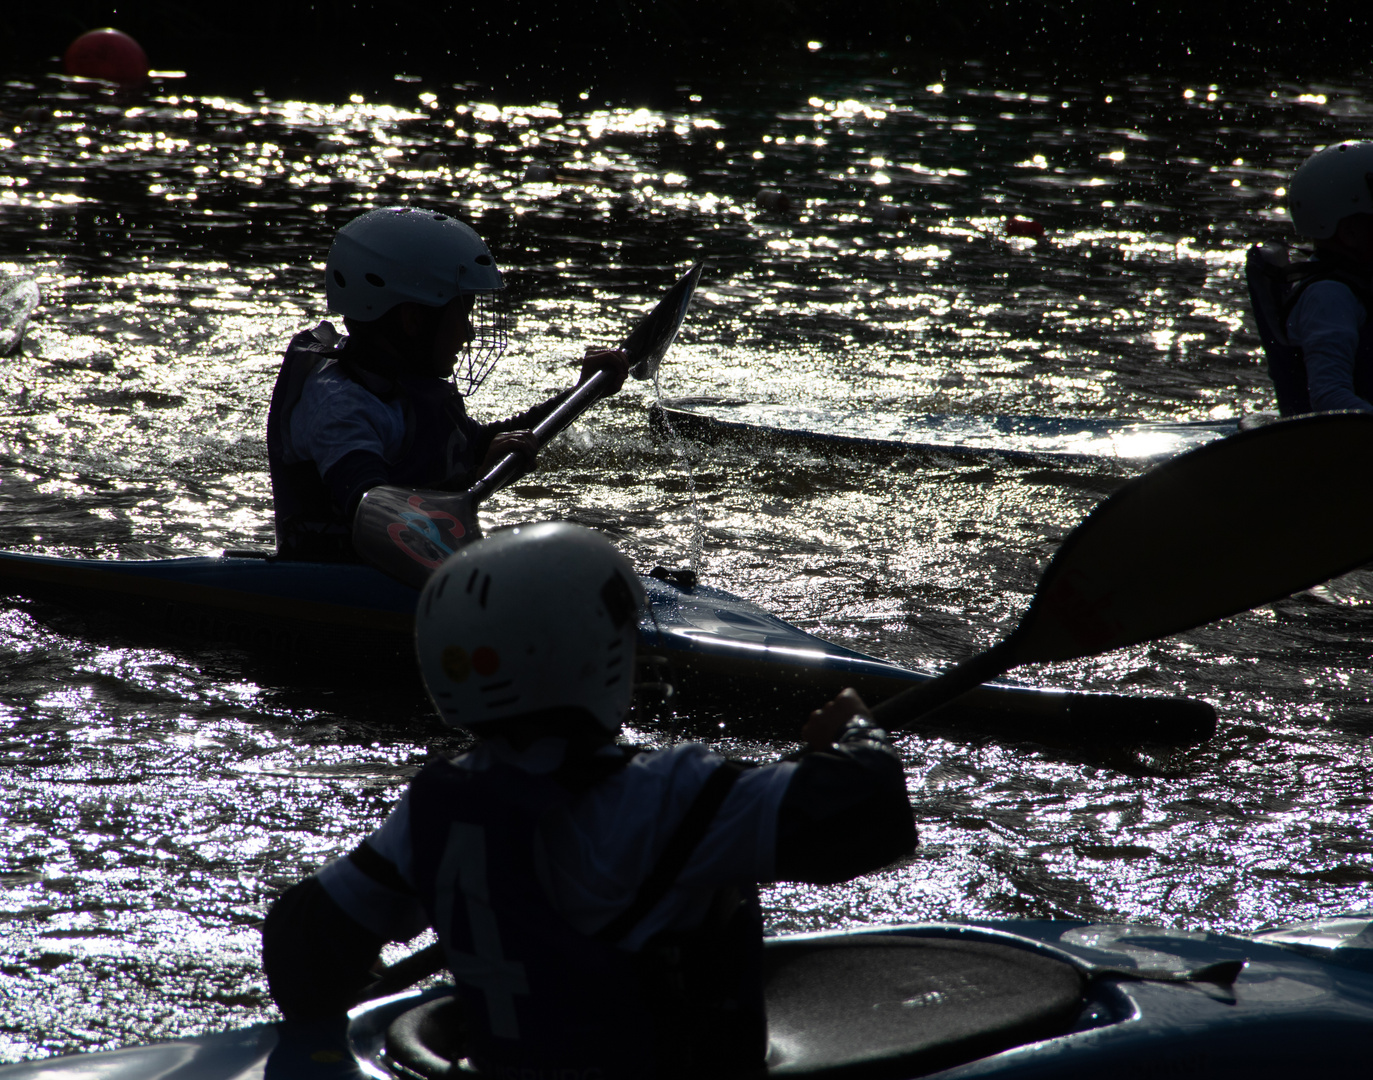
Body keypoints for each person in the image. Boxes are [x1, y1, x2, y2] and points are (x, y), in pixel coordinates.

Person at [261, 522, 917, 1079]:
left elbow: (304, 951)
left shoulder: (432, 805)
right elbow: (870, 815)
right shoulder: (669, 796)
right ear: (585, 656)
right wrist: (856, 732)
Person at [267, 206, 629, 561]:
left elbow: (479, 446)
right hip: (344, 588)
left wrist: (584, 391)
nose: (470, 332)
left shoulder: (400, 386)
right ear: (413, 320)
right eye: (464, 312)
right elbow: (377, 517)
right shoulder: (341, 406)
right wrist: (475, 475)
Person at [1247, 140, 1373, 415]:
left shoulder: (1356, 284)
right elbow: (1329, 397)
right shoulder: (1330, 296)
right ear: (1350, 233)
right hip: (1340, 443)